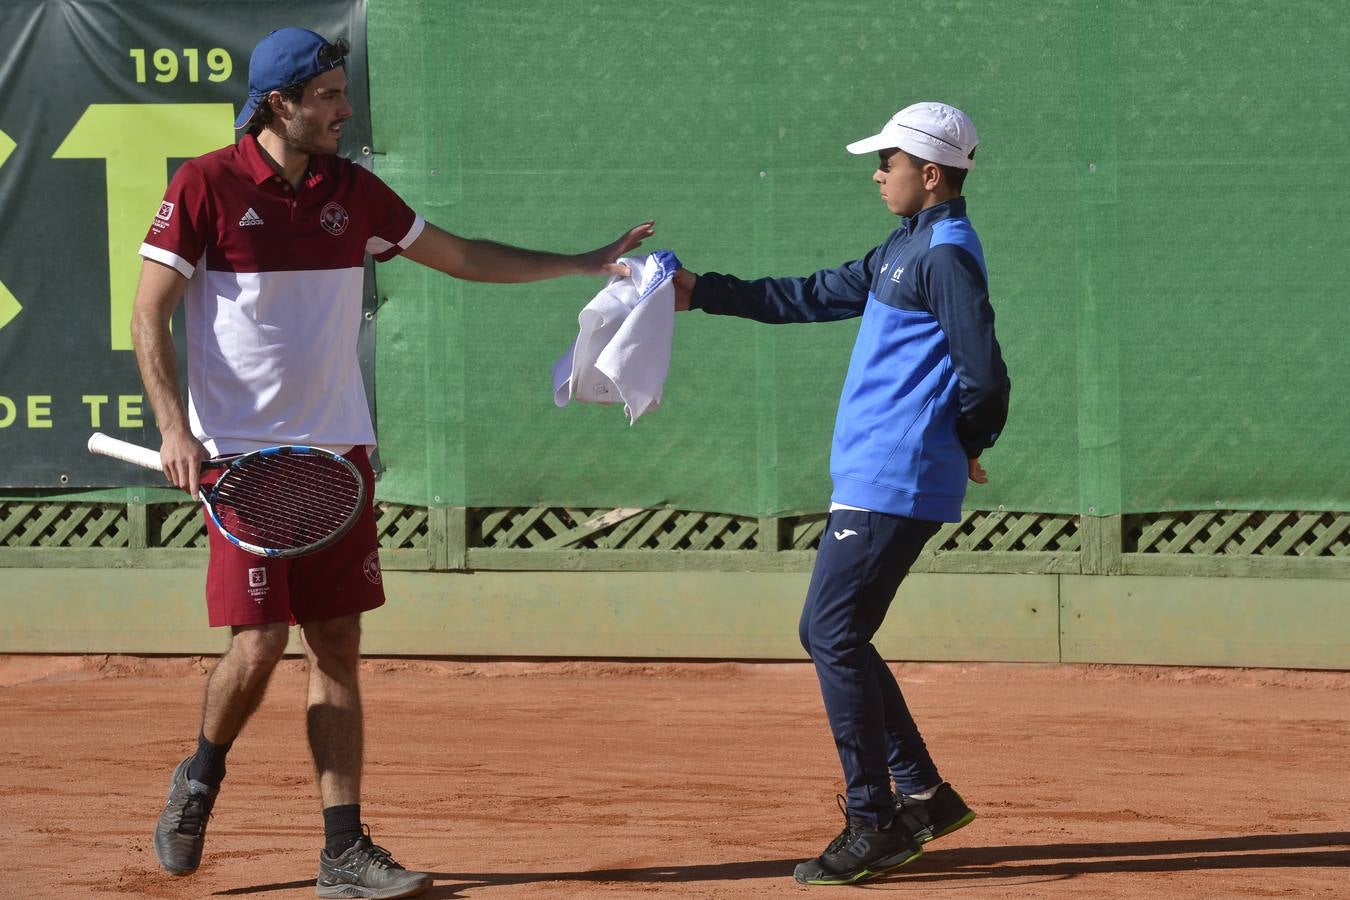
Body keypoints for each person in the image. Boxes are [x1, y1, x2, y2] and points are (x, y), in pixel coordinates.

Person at [132, 27, 652, 899]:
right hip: (248, 468)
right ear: (280, 105)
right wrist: (174, 426)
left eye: (345, 92)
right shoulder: (205, 186)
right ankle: (201, 775)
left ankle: (344, 848)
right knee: (258, 643)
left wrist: (581, 263)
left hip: (340, 457)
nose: (344, 108)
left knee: (336, 642)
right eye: (328, 96)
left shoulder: (354, 193)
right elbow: (150, 312)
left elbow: (462, 257)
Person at [671, 101, 1009, 886]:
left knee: (830, 634)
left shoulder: (946, 253)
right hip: (878, 472)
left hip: (896, 475)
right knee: (840, 634)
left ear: (930, 174)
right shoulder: (907, 244)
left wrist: (967, 443)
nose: (876, 173)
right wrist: (697, 291)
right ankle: (923, 795)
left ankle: (874, 819)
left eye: (887, 162)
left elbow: (984, 372)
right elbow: (812, 294)